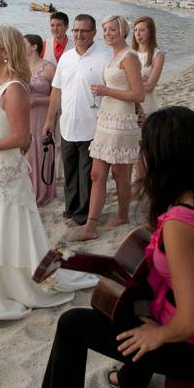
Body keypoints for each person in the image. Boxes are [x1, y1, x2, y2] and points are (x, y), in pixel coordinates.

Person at [32, 106, 194, 388]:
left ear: (162, 160)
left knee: (73, 324)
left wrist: (157, 332)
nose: (139, 157)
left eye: (144, 150)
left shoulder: (180, 225)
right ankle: (132, 379)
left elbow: (190, 320)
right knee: (137, 302)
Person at [0, 26, 96, 320]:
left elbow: (21, 138)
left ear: (4, 52)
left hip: (1, 171)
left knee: (2, 223)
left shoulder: (14, 87)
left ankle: (6, 284)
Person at [74, 15, 145, 241]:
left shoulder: (130, 56)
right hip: (106, 119)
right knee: (96, 174)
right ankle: (91, 225)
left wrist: (106, 91)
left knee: (120, 173)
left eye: (112, 29)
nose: (107, 34)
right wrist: (138, 107)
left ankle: (123, 215)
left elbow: (138, 92)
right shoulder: (113, 57)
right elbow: (133, 94)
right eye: (104, 30)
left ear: (122, 30)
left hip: (121, 122)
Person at [42, 14, 110, 226]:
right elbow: (56, 91)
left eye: (84, 31)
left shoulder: (104, 58)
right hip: (68, 125)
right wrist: (48, 121)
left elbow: (112, 90)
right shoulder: (67, 57)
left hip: (92, 125)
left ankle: (82, 215)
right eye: (76, 31)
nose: (79, 35)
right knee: (70, 172)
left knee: (86, 173)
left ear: (94, 33)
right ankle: (70, 210)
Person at [24, 34, 56, 206]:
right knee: (26, 153)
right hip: (24, 115)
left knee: (39, 151)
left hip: (42, 114)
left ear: (34, 46)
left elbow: (58, 96)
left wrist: (36, 101)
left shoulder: (48, 68)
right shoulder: (20, 67)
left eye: (24, 44)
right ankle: (26, 190)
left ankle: (41, 192)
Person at [131, 16, 164, 116]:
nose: (137, 33)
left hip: (147, 105)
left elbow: (149, 86)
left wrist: (130, 81)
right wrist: (142, 80)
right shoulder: (130, 52)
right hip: (129, 104)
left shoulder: (158, 55)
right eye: (135, 30)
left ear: (150, 33)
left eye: (142, 30)